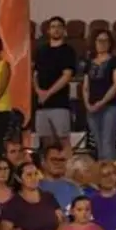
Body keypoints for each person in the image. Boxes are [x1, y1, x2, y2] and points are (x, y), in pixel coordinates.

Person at [33, 16, 77, 154]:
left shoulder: (68, 51)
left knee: (63, 140)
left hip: (60, 104)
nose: (56, 29)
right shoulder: (41, 50)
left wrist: (48, 93)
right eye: (53, 27)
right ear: (48, 30)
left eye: (59, 26)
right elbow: (35, 74)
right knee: (46, 143)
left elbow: (67, 75)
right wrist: (38, 91)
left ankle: (68, 166)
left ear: (64, 30)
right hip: (42, 104)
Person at [81, 29, 116, 161]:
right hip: (92, 107)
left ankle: (110, 172)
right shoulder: (89, 62)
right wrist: (87, 104)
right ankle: (102, 171)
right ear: (94, 42)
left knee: (108, 143)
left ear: (110, 43)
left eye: (106, 41)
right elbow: (85, 86)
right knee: (99, 144)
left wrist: (102, 102)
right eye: (99, 40)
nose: (102, 43)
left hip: (112, 105)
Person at [38, 143, 82, 216]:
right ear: (43, 162)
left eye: (62, 160)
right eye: (54, 159)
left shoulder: (74, 188)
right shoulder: (35, 187)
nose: (58, 163)